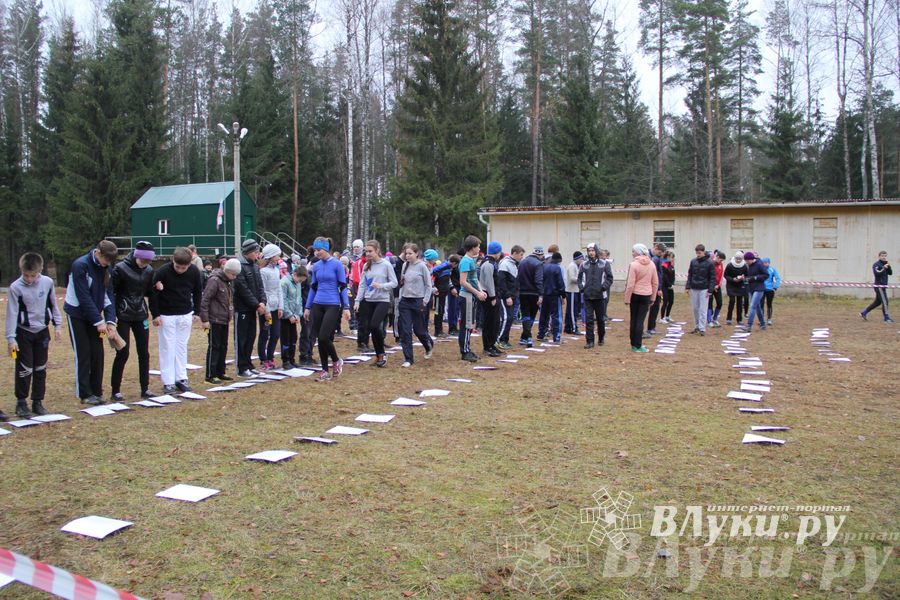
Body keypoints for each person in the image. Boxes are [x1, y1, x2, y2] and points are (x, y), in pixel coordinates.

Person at [5, 252, 62, 419]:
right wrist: (11, 338)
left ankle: (38, 401)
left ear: (40, 270)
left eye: (33, 275)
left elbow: (53, 305)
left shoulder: (47, 283)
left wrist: (57, 326)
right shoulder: (16, 287)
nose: (29, 279)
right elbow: (12, 313)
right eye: (25, 275)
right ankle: (21, 402)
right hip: (24, 332)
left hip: (42, 331)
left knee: (40, 367)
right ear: (21, 270)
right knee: (25, 368)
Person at [64, 240, 118, 405]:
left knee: (97, 352)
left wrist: (110, 320)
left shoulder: (106, 268)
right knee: (84, 353)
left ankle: (97, 391)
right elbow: (83, 297)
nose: (107, 264)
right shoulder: (80, 266)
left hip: (96, 317)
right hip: (77, 314)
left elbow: (108, 295)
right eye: (106, 260)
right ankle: (85, 393)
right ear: (98, 254)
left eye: (109, 262)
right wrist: (98, 321)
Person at [150, 247, 203, 394]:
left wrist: (196, 312)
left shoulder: (193, 272)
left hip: (185, 313)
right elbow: (153, 294)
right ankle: (168, 381)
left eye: (184, 268)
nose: (180, 270)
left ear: (189, 264)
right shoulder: (162, 272)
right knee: (167, 347)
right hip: (166, 315)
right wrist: (155, 315)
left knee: (181, 346)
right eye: (178, 267)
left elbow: (198, 291)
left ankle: (181, 378)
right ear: (173, 261)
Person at [110, 241, 158, 401]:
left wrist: (155, 314)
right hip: (123, 315)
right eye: (143, 260)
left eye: (148, 261)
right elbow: (112, 292)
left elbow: (150, 293)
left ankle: (145, 388)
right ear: (137, 256)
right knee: (123, 351)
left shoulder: (149, 271)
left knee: (144, 352)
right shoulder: (120, 269)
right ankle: (115, 390)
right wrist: (113, 315)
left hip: (141, 314)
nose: (146, 264)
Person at [304, 237, 351, 381]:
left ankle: (336, 360)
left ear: (326, 249)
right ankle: (324, 370)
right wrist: (308, 306)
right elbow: (313, 287)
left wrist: (346, 307)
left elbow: (343, 287)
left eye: (319, 250)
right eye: (315, 250)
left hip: (332, 303)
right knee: (320, 338)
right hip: (318, 303)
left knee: (325, 337)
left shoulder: (337, 265)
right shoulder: (316, 266)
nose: (317, 253)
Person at [355, 241, 398, 368]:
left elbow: (394, 282)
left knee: (374, 325)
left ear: (377, 251)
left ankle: (382, 354)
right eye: (366, 251)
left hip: (382, 300)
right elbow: (362, 284)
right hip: (368, 300)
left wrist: (381, 286)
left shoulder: (386, 264)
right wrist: (357, 300)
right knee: (370, 328)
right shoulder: (366, 266)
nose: (367, 254)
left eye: (370, 251)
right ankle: (379, 355)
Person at [201, 258, 241, 384]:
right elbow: (205, 300)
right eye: (233, 274)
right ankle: (210, 374)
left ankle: (220, 371)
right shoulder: (214, 280)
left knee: (223, 346)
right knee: (214, 346)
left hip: (224, 319)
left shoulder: (228, 282)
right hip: (214, 319)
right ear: (227, 271)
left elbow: (228, 300)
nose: (234, 277)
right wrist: (205, 319)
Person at [233, 240, 267, 377]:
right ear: (249, 252)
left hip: (254, 308)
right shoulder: (239, 266)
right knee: (242, 338)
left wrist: (263, 301)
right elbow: (243, 289)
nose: (258, 255)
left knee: (251, 336)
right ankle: (241, 367)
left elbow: (260, 286)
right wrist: (256, 304)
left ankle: (248, 364)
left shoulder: (255, 266)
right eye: (256, 252)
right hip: (242, 309)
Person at [398, 244, 434, 367]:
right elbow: (403, 283)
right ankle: (408, 358)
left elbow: (428, 285)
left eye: (410, 253)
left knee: (419, 330)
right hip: (405, 302)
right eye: (406, 253)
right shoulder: (405, 266)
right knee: (406, 331)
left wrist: (425, 301)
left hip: (418, 301)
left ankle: (428, 344)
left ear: (417, 254)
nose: (407, 256)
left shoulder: (422, 267)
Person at [624, 244, 658, 352]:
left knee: (634, 319)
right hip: (646, 295)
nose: (632, 253)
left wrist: (627, 298)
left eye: (633, 251)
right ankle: (638, 345)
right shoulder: (652, 264)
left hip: (635, 294)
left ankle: (634, 343)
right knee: (640, 320)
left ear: (638, 252)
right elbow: (655, 283)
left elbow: (630, 284)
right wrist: (653, 297)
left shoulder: (633, 265)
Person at [579, 243, 613, 349]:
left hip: (600, 296)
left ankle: (601, 337)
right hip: (588, 296)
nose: (591, 253)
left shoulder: (604, 264)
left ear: (597, 251)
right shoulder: (584, 265)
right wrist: (582, 288)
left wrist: (603, 287)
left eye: (593, 250)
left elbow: (609, 278)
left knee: (600, 319)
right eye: (589, 251)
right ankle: (589, 341)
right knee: (589, 319)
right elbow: (579, 278)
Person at [458, 236, 486, 361]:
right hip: (467, 296)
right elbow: (463, 282)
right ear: (472, 248)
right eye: (478, 246)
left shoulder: (471, 260)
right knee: (467, 324)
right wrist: (477, 292)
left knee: (470, 323)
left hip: (472, 295)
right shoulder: (465, 261)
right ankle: (464, 351)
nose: (479, 249)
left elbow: (474, 278)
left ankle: (467, 349)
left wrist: (481, 291)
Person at [257, 244, 283, 371]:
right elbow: (263, 292)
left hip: (275, 307)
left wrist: (280, 307)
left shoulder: (276, 270)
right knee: (264, 333)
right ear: (271, 256)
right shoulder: (262, 272)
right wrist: (266, 310)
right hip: (266, 308)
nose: (279, 258)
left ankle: (270, 357)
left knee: (275, 334)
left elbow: (279, 289)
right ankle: (263, 359)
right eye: (277, 255)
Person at [280, 264, 307, 369]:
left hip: (294, 316)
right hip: (285, 317)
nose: (300, 282)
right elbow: (284, 300)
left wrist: (297, 314)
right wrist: (289, 315)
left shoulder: (298, 284)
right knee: (285, 338)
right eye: (299, 280)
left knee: (293, 338)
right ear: (295, 274)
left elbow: (299, 300)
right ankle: (285, 360)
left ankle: (292, 359)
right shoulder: (284, 283)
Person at [516, 246, 545, 347]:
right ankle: (528, 337)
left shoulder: (522, 262)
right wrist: (541, 294)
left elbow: (518, 277)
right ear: (540, 255)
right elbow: (538, 280)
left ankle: (524, 337)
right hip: (534, 293)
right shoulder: (539, 264)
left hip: (523, 292)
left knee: (525, 315)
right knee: (531, 316)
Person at [479, 242, 503, 356]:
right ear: (497, 252)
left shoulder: (492, 263)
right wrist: (493, 297)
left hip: (493, 295)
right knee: (490, 322)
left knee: (495, 322)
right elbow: (489, 282)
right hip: (489, 297)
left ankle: (492, 344)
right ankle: (488, 346)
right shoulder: (488, 264)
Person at [497, 245, 524, 350]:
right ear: (515, 253)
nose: (522, 257)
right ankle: (499, 339)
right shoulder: (505, 264)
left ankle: (505, 339)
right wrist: (507, 296)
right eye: (521, 255)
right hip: (506, 297)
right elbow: (502, 282)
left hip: (513, 296)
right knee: (506, 318)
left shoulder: (515, 264)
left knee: (510, 318)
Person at [684, 244, 715, 335]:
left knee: (703, 309)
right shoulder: (693, 261)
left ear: (703, 252)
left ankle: (702, 328)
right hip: (694, 287)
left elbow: (712, 277)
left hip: (704, 289)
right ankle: (697, 326)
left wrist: (710, 290)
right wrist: (687, 286)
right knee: (695, 308)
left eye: (699, 253)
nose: (698, 254)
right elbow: (690, 274)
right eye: (697, 253)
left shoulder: (710, 263)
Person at [537, 252, 565, 343]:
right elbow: (560, 283)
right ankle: (556, 336)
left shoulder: (544, 267)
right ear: (559, 260)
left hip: (545, 294)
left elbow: (540, 280)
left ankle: (541, 334)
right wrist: (563, 295)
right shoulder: (558, 268)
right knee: (556, 316)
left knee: (544, 315)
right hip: (554, 295)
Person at [860, 251, 893, 322]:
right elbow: (877, 273)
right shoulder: (876, 264)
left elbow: (890, 273)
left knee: (877, 302)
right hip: (879, 286)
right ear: (879, 256)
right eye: (882, 256)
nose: (884, 257)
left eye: (885, 256)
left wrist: (888, 267)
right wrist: (884, 268)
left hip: (883, 286)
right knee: (885, 302)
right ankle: (886, 318)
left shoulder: (886, 264)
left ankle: (864, 312)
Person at [741, 252, 768, 331]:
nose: (746, 262)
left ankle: (749, 325)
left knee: (752, 306)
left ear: (751, 259)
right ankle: (763, 324)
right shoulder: (748, 266)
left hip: (759, 288)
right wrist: (745, 278)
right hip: (751, 288)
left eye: (747, 260)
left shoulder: (759, 264)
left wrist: (756, 278)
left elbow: (766, 275)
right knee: (757, 307)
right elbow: (749, 276)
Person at [429, 251, 453, 338]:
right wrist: (434, 288)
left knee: (441, 311)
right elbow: (432, 275)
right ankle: (437, 330)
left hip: (443, 293)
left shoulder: (446, 268)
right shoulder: (441, 268)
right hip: (439, 293)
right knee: (438, 311)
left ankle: (440, 330)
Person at [646, 243, 667, 336]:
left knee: (655, 307)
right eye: (660, 252)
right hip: (654, 287)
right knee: (654, 307)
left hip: (656, 286)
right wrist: (658, 288)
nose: (662, 254)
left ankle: (652, 327)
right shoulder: (655, 259)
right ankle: (651, 328)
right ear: (656, 248)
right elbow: (656, 275)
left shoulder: (657, 258)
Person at [724, 252, 748, 326]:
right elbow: (726, 275)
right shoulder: (730, 265)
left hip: (740, 285)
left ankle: (739, 319)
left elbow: (747, 275)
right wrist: (733, 279)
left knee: (740, 303)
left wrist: (743, 278)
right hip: (731, 285)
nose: (738, 260)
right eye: (737, 258)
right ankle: (729, 318)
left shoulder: (744, 266)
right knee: (732, 301)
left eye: (740, 259)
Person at [565, 251, 584, 334]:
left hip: (574, 290)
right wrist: (581, 282)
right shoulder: (572, 266)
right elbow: (572, 278)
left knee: (571, 310)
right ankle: (573, 328)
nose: (582, 260)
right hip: (572, 290)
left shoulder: (576, 266)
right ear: (578, 259)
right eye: (581, 259)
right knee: (573, 311)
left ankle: (568, 327)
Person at [706, 250, 725, 327]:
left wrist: (718, 285)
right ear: (717, 257)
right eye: (720, 259)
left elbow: (721, 276)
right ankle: (709, 320)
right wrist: (712, 286)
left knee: (719, 303)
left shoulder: (721, 264)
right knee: (709, 303)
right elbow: (708, 276)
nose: (721, 261)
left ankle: (715, 318)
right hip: (710, 286)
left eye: (722, 261)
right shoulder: (710, 264)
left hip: (717, 287)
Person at [761, 257, 781, 326]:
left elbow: (778, 278)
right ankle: (762, 319)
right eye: (763, 263)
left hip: (770, 290)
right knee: (761, 304)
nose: (765, 264)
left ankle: (769, 319)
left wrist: (775, 287)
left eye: (766, 263)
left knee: (769, 304)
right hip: (761, 289)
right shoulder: (760, 269)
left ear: (769, 263)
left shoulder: (772, 270)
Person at [447, 254, 461, 335]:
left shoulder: (456, 268)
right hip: (453, 289)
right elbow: (448, 279)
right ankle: (452, 328)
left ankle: (455, 326)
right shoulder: (449, 269)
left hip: (458, 288)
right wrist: (452, 288)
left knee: (456, 309)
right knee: (452, 309)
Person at [660, 251, 676, 323]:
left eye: (673, 257)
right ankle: (662, 318)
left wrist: (672, 284)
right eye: (671, 257)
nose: (672, 259)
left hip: (670, 286)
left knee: (671, 301)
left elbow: (673, 276)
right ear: (667, 257)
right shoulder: (664, 264)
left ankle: (667, 316)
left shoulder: (671, 265)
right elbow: (664, 276)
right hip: (665, 286)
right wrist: (669, 284)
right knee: (665, 301)